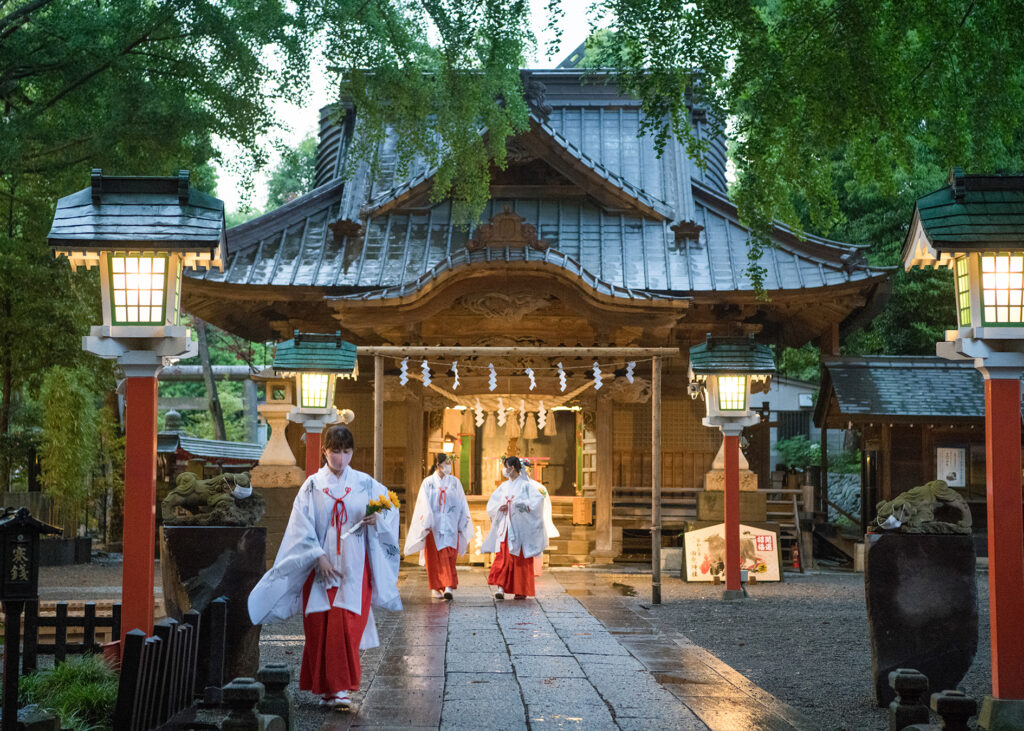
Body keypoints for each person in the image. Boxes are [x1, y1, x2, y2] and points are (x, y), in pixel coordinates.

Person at [247, 424, 402, 711]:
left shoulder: (366, 483)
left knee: (346, 625)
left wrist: (377, 519)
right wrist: (317, 556)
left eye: (346, 452)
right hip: (320, 568)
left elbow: (389, 510)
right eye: (334, 452)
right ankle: (329, 688)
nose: (340, 459)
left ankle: (340, 687)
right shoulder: (312, 485)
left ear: (352, 452)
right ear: (324, 452)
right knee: (320, 626)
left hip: (355, 567)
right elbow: (300, 527)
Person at [404, 453, 473, 600]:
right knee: (434, 559)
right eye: (446, 463)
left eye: (449, 462)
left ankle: (448, 586)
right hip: (433, 526)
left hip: (450, 525)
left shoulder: (455, 482)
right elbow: (423, 504)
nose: (448, 465)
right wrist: (426, 523)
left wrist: (462, 522)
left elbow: (461, 504)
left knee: (449, 556)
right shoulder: (428, 483)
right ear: (438, 465)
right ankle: (435, 588)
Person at [483, 455, 548, 599]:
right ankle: (500, 588)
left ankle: (520, 589)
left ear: (512, 468)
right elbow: (493, 503)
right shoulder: (504, 486)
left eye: (507, 467)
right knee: (503, 557)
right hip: (506, 527)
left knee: (519, 561)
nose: (505, 470)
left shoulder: (526, 486)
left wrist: (517, 506)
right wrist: (500, 507)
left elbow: (537, 502)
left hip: (520, 529)